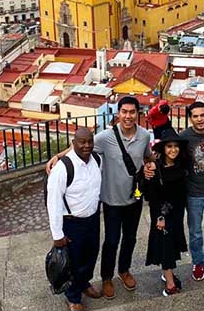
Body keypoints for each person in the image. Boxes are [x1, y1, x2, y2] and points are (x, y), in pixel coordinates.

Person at [46, 96, 155, 300]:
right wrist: (59, 156)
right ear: (118, 113)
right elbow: (80, 146)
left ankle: (124, 270)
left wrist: (151, 165)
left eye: (132, 112)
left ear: (138, 114)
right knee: (111, 241)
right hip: (111, 201)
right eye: (124, 112)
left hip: (135, 197)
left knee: (130, 238)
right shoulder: (105, 137)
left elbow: (147, 156)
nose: (128, 116)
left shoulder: (144, 136)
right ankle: (106, 277)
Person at [147, 102, 204, 281]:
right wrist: (150, 164)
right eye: (195, 116)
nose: (199, 119)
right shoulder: (185, 136)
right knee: (195, 232)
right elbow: (169, 149)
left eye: (202, 115)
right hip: (194, 193)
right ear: (190, 118)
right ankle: (198, 261)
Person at [46, 128, 102, 311]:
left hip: (92, 219)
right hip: (72, 223)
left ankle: (84, 283)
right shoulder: (63, 168)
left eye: (89, 142)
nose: (86, 146)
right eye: (82, 142)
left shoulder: (97, 161)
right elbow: (53, 202)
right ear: (73, 143)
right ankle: (73, 298)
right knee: (73, 262)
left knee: (91, 255)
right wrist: (57, 235)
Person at [142, 129, 189, 297]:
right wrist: (160, 217)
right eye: (169, 146)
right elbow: (153, 196)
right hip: (163, 214)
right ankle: (170, 284)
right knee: (166, 246)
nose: (173, 150)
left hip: (176, 213)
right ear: (163, 148)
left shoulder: (181, 164)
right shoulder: (156, 168)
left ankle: (167, 273)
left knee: (171, 244)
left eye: (176, 146)